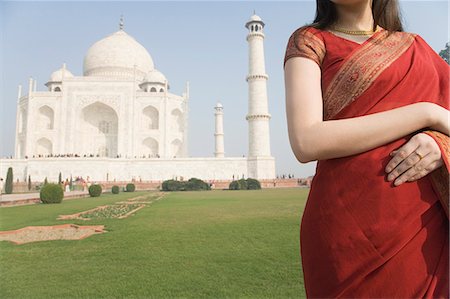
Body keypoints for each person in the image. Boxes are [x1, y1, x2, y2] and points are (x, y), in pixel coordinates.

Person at [283, 0, 449, 297]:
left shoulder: (416, 48)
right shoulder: (309, 40)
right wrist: (428, 113)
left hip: (424, 228)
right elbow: (306, 141)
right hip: (345, 231)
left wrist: (440, 144)